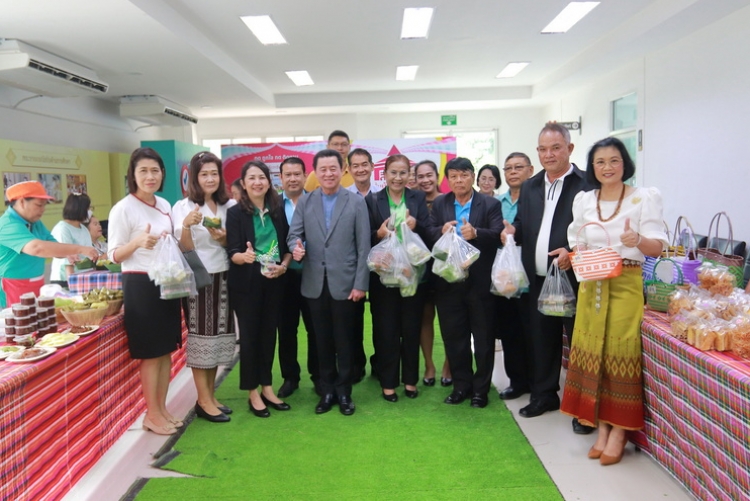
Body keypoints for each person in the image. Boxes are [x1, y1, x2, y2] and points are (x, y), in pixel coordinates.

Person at [561, 137, 667, 465]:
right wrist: (575, 251)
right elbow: (577, 238)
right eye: (600, 162)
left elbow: (658, 248)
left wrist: (638, 239)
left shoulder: (642, 197)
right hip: (591, 282)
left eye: (614, 160)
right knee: (594, 351)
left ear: (625, 164)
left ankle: (620, 430)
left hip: (625, 282)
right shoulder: (584, 200)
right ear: (592, 167)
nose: (607, 167)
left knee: (621, 352)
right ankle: (603, 427)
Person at [501, 123, 594, 435]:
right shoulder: (530, 186)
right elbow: (522, 223)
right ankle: (544, 396)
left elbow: (593, 231)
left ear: (570, 148)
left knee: (579, 343)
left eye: (555, 148)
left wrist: (573, 252)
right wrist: (512, 231)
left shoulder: (587, 184)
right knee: (541, 339)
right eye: (542, 149)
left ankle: (583, 408)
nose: (548, 154)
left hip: (575, 278)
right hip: (539, 278)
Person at [287, 149, 370, 416]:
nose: (328, 174)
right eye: (322, 169)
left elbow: (364, 246)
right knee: (321, 340)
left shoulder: (355, 202)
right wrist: (296, 247)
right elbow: (293, 235)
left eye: (333, 168)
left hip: (345, 283)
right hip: (314, 283)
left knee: (345, 340)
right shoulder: (306, 201)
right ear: (315, 172)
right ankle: (327, 391)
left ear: (342, 169)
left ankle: (344, 391)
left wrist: (360, 284)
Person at [107, 147, 183, 435]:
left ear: (162, 174)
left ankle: (161, 410)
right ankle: (151, 414)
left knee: (165, 351)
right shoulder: (123, 208)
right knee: (151, 354)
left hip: (167, 281)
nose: (150, 176)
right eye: (143, 171)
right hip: (141, 285)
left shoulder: (164, 204)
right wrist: (137, 242)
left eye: (155, 170)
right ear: (133, 175)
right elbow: (113, 255)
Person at [427, 157, 503, 407]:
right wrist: (440, 231)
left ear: (472, 177)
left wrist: (477, 233)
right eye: (454, 176)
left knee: (483, 340)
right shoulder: (440, 203)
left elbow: (498, 235)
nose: (459, 180)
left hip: (479, 282)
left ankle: (481, 390)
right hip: (449, 283)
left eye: (464, 175)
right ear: (447, 180)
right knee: (454, 338)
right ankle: (461, 386)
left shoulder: (490, 204)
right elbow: (428, 231)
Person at [172, 151, 237, 423]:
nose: (210, 179)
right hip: (198, 278)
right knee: (201, 337)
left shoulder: (229, 205)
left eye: (214, 173)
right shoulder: (183, 207)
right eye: (204, 174)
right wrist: (187, 226)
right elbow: (183, 248)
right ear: (194, 178)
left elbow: (233, 244)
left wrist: (223, 238)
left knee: (218, 337)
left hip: (225, 275)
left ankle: (210, 396)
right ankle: (203, 400)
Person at [227, 161, 292, 418]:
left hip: (274, 281)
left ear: (269, 181)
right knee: (250, 337)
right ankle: (252, 391)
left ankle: (267, 387)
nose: (257, 182)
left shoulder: (277, 210)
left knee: (268, 335)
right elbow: (232, 251)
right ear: (244, 184)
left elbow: (286, 247)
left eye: (262, 177)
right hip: (247, 284)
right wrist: (243, 257)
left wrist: (284, 266)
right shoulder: (236, 213)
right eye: (251, 178)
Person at [366, 154, 430, 401]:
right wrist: (379, 233)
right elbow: (364, 235)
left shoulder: (417, 198)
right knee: (386, 330)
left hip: (411, 273)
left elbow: (428, 231)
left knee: (411, 328)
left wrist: (416, 224)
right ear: (384, 175)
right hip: (383, 275)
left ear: (409, 175)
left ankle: (410, 381)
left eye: (403, 172)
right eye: (393, 172)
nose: (398, 177)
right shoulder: (373, 200)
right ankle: (389, 383)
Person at [0, 181, 98, 307]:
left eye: (44, 205)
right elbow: (37, 248)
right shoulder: (8, 224)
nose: (43, 210)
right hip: (11, 286)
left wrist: (67, 253)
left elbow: (50, 241)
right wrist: (79, 249)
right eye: (39, 205)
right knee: (19, 317)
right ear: (22, 202)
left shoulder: (35, 222)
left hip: (36, 282)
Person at [276, 157, 319, 398]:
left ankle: (318, 376)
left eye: (297, 174)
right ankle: (290, 377)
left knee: (316, 329)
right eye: (288, 175)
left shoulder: (316, 201)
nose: (292, 179)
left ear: (305, 176)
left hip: (313, 274)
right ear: (280, 178)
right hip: (283, 276)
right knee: (286, 329)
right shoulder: (272, 205)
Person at [496, 153, 535, 401]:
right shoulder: (497, 203)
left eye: (518, 167)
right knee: (509, 331)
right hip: (504, 278)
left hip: (531, 274)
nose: (513, 172)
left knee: (533, 331)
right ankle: (516, 381)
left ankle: (537, 382)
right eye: (508, 168)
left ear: (530, 170)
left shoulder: (537, 200)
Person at [413, 160, 451, 386]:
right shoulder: (414, 202)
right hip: (421, 269)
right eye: (420, 176)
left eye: (429, 175)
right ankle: (429, 365)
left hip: (445, 268)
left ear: (437, 176)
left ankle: (448, 365)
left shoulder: (447, 200)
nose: (425, 180)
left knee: (448, 320)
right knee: (424, 318)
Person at [345, 147, 379, 382]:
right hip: (353, 267)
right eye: (355, 165)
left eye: (364, 164)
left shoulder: (383, 194)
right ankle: (355, 365)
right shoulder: (344, 196)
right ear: (348, 169)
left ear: (372, 166)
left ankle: (380, 364)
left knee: (381, 318)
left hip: (381, 266)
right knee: (353, 319)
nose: (360, 169)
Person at [50, 193, 97, 287]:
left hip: (83, 277)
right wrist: (73, 286)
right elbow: (68, 262)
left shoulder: (83, 229)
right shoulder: (63, 229)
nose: (90, 211)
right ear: (81, 209)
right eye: (88, 208)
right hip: (66, 280)